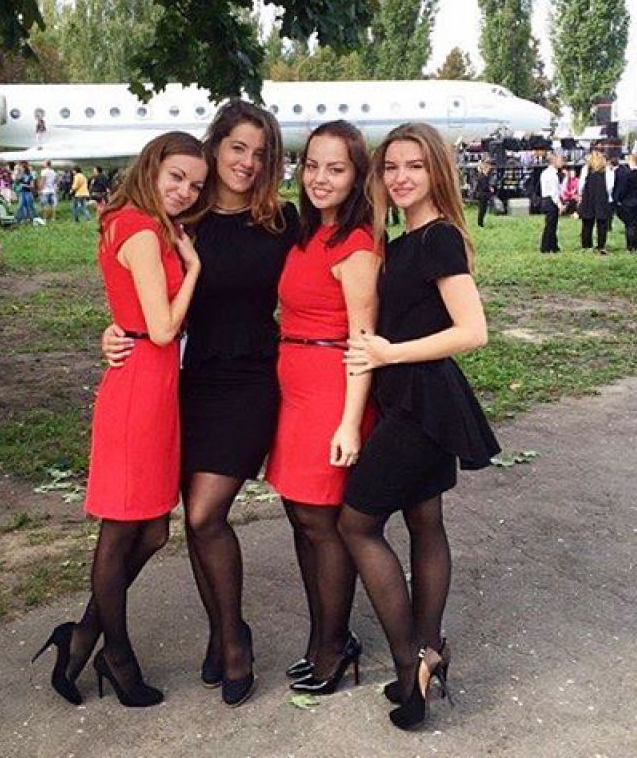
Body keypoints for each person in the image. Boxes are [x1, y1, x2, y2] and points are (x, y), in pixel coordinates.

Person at [102, 100, 296, 708]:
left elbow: (335, 268)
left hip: (251, 379)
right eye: (238, 147)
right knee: (191, 520)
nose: (248, 161)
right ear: (215, 147)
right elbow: (139, 292)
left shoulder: (283, 220)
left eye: (260, 153)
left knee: (207, 513)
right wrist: (113, 332)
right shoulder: (182, 219)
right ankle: (218, 632)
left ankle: (235, 639)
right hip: (185, 381)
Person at [34, 132, 209, 708]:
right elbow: (161, 328)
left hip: (155, 386)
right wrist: (194, 269)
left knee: (154, 531)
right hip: (140, 388)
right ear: (152, 167)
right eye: (177, 177)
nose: (185, 191)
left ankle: (82, 635)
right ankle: (117, 654)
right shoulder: (139, 229)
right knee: (122, 531)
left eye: (196, 185)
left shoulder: (147, 223)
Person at [340, 122, 500, 731]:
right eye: (390, 167)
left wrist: (388, 353)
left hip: (422, 402)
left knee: (357, 522)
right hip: (417, 399)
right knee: (424, 521)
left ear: (437, 172)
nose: (401, 177)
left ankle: (411, 663)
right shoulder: (402, 240)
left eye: (414, 166)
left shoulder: (438, 239)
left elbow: (473, 331)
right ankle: (430, 651)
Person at [265, 121, 379, 695]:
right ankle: (321, 635)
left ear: (357, 175)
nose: (319, 178)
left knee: (321, 521)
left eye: (336, 168)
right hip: (294, 388)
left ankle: (335, 644)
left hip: (332, 390)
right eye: (312, 165)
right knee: (300, 515)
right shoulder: (308, 232)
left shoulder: (357, 244)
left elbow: (364, 340)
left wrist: (350, 423)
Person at [577, 150, 614, 254]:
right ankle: (601, 246)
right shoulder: (607, 170)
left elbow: (581, 184)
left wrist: (581, 194)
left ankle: (586, 245)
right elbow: (610, 186)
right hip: (601, 198)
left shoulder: (585, 169)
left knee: (587, 223)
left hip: (588, 197)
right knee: (602, 223)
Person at [615, 153, 637, 250]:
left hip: (628, 203)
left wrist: (618, 199)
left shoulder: (627, 174)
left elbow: (622, 189)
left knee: (630, 225)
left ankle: (631, 245)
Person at [538, 153, 564, 253]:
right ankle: (545, 247)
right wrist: (559, 204)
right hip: (551, 201)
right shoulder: (553, 175)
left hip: (545, 199)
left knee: (551, 224)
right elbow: (554, 192)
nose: (561, 162)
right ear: (553, 161)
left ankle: (553, 246)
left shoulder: (545, 172)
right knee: (550, 225)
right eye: (560, 160)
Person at [472, 158, 495, 227]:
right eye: (488, 168)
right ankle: (480, 223)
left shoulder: (485, 176)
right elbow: (484, 186)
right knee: (482, 210)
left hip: (484, 195)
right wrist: (490, 189)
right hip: (482, 195)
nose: (489, 169)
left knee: (483, 210)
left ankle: (481, 223)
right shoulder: (482, 176)